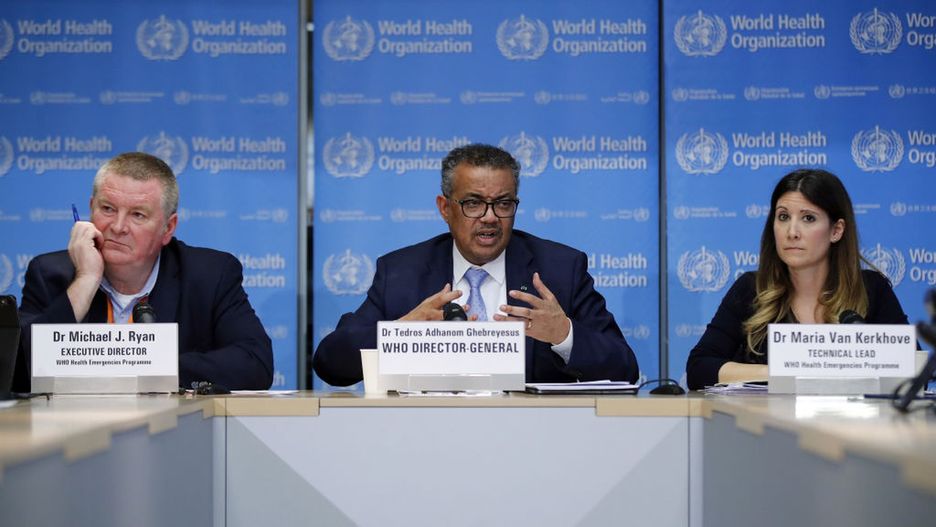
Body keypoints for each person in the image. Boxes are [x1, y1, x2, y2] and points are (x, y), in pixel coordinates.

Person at [313, 143, 638, 386]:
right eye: (473, 203)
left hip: (533, 439)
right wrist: (400, 333)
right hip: (424, 438)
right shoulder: (401, 273)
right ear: (445, 208)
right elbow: (330, 364)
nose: (490, 217)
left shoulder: (560, 270)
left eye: (503, 203)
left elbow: (625, 369)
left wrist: (563, 334)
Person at [14, 152, 273, 391]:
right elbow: (17, 373)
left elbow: (255, 363)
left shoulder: (208, 275)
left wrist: (143, 367)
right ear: (91, 209)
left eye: (137, 215)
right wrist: (86, 279)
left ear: (168, 228)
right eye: (107, 209)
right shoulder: (50, 274)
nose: (118, 227)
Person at [685, 168, 909, 390]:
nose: (792, 232)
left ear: (836, 231)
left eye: (808, 218)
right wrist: (788, 371)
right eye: (783, 217)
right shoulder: (752, 289)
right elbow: (699, 368)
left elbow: (910, 370)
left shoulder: (870, 290)